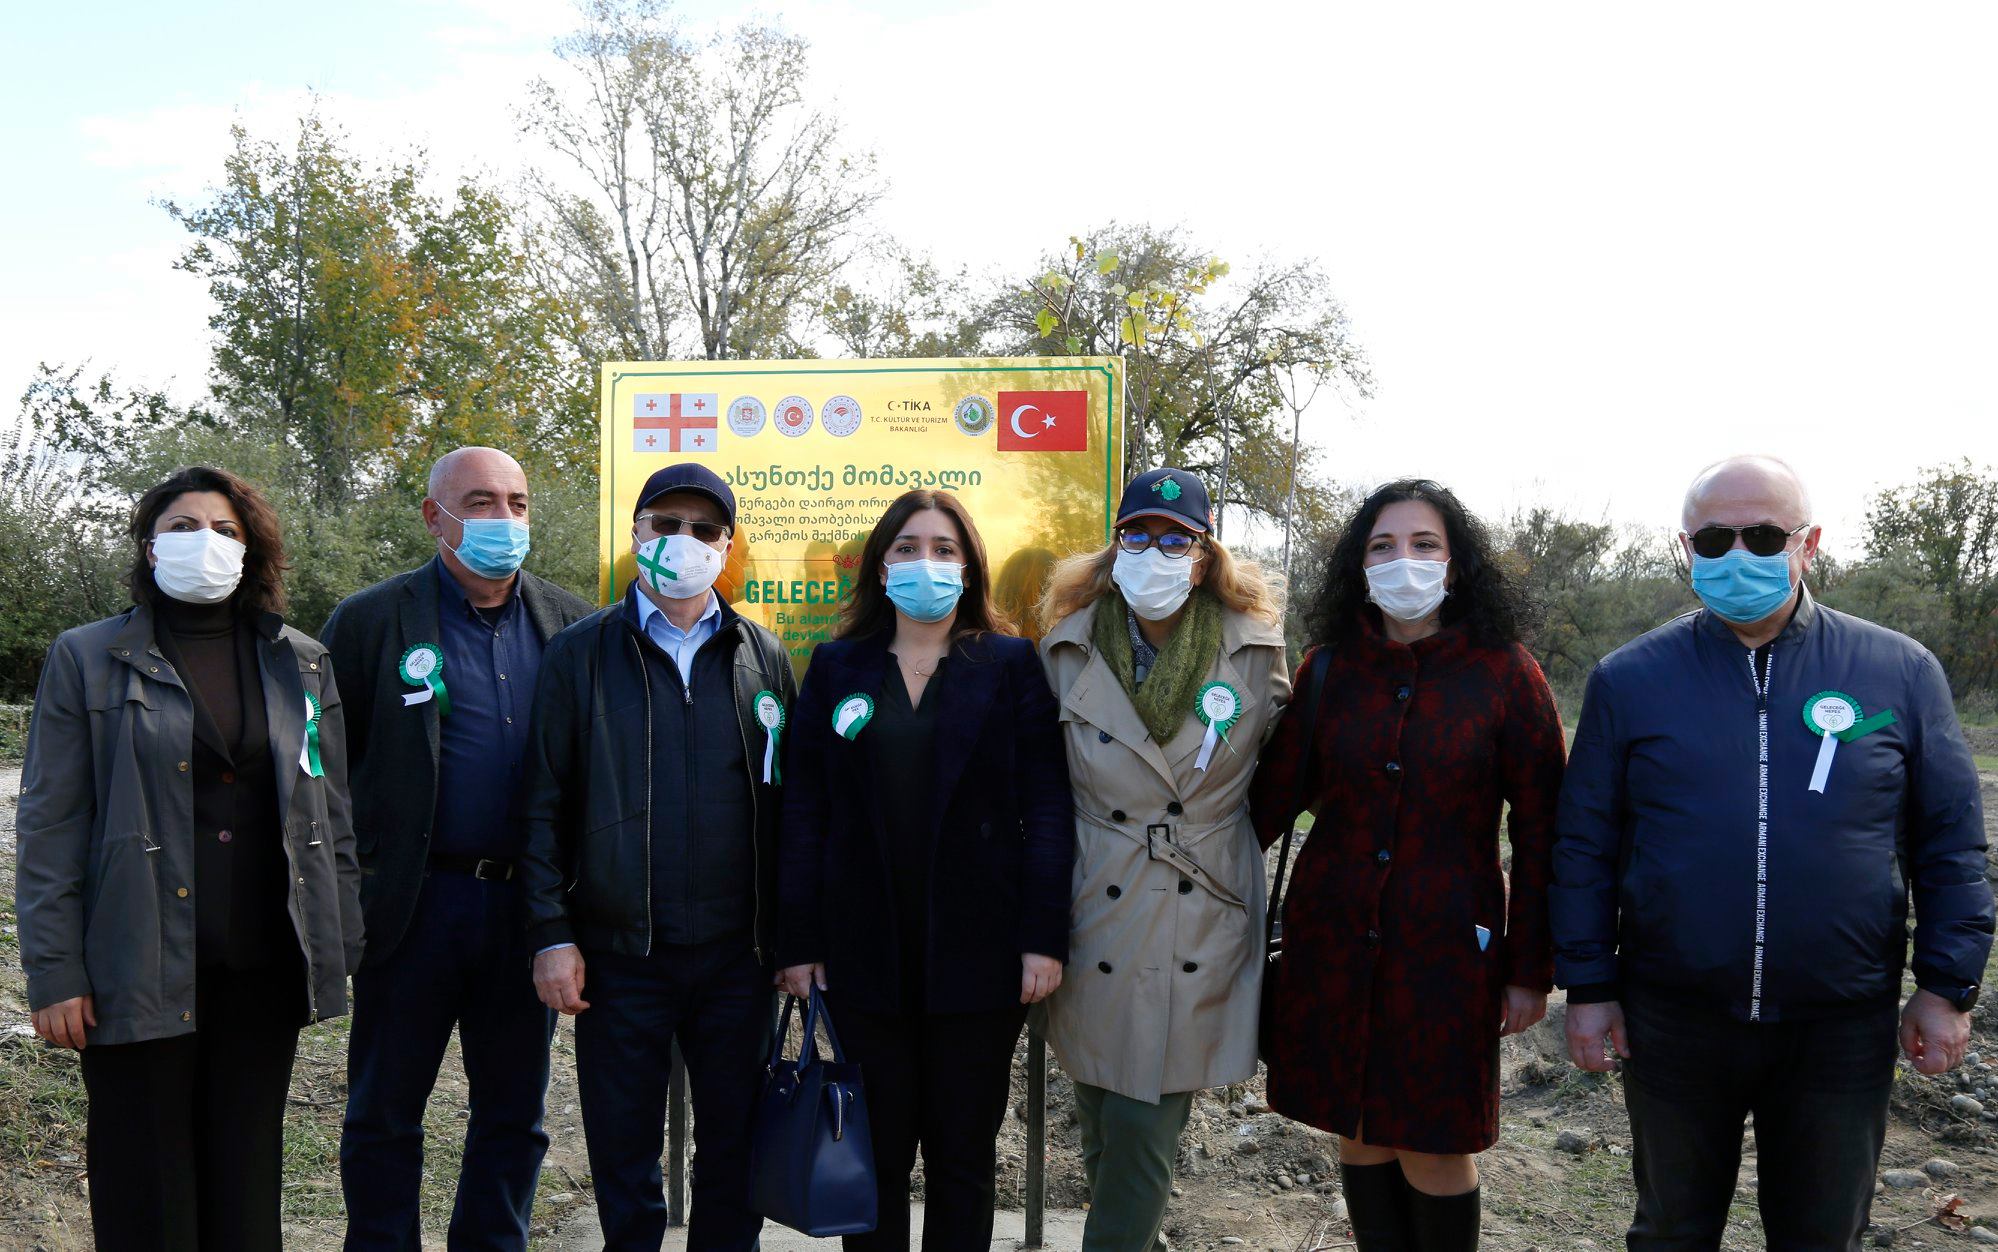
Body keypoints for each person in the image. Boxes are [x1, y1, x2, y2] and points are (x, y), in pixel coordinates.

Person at [1552, 455, 1993, 1249]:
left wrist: (1947, 984)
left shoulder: (1899, 671)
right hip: (1675, 1020)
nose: (1737, 555)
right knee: (1671, 1233)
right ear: (1685, 549)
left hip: (1839, 1026)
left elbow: (1950, 842)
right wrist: (1587, 985)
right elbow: (1584, 845)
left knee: (1823, 1236)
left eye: (1762, 536)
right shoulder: (1629, 680)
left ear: (1808, 544)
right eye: (1713, 539)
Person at [14, 465, 362, 1252]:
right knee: (147, 1188)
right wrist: (55, 972)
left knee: (246, 1182)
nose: (204, 541)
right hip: (133, 964)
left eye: (225, 529)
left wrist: (337, 946)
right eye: (182, 527)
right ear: (149, 546)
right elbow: (50, 825)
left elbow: (328, 810)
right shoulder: (87, 657)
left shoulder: (302, 662)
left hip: (263, 964)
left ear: (250, 549)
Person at [1248, 479, 1565, 1252]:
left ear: (1456, 564)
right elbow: (1264, 806)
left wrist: (1531, 968)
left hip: (1448, 952)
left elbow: (1544, 834)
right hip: (1332, 941)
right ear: (1359, 566)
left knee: (1434, 1142)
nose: (1404, 561)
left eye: (1425, 545)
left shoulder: (1506, 673)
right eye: (1383, 546)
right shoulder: (1329, 669)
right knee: (1358, 1131)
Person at [777, 488, 1073, 1252]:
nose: (925, 563)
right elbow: (805, 809)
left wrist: (1042, 937)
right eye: (907, 548)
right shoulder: (837, 666)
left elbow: (1047, 808)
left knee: (962, 1162)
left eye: (944, 550)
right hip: (862, 959)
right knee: (872, 1161)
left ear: (970, 569)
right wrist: (798, 941)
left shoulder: (1010, 665)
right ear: (881, 568)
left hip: (980, 961)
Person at [519, 462, 794, 1252]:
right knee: (623, 1152)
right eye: (665, 524)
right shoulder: (580, 653)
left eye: (704, 529)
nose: (684, 541)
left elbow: (790, 808)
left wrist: (792, 937)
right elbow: (541, 803)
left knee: (735, 1150)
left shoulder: (761, 654)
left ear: (727, 546)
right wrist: (550, 932)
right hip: (620, 956)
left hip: (737, 959)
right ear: (636, 533)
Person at [324, 447, 592, 1250]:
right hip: (413, 906)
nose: (503, 519)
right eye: (480, 502)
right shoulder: (371, 621)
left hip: (528, 909)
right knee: (384, 1111)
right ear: (433, 516)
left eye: (517, 502)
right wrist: (345, 894)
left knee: (514, 1114)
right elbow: (324, 769)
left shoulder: (573, 623)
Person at [1036, 467, 1291, 1252]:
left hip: (1197, 908)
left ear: (1204, 554)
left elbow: (1287, 779)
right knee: (1102, 1120)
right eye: (1137, 534)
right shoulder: (1065, 646)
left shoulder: (1257, 652)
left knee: (1143, 1125)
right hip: (1093, 900)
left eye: (1175, 539)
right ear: (1115, 547)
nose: (1154, 551)